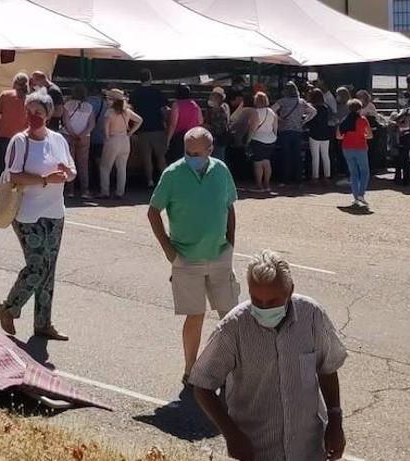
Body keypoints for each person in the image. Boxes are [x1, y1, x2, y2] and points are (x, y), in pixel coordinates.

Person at [190, 251, 347, 461]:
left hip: (308, 449)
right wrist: (231, 434)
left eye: (273, 301)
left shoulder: (312, 316)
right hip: (256, 451)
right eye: (257, 300)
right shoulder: (233, 328)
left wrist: (335, 421)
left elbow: (328, 367)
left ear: (290, 291)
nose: (264, 308)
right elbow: (202, 384)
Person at [147, 127, 240, 384]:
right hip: (186, 259)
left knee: (230, 314)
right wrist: (169, 250)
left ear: (210, 151)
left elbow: (229, 207)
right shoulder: (173, 174)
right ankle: (191, 369)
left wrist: (231, 242)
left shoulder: (220, 169)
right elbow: (153, 211)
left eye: (197, 153)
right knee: (195, 315)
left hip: (220, 255)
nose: (192, 157)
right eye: (188, 152)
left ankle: (235, 368)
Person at [0, 91, 76, 341]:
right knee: (38, 266)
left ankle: (43, 323)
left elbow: (71, 170)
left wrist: (67, 173)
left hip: (54, 213)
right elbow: (14, 176)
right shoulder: (20, 142)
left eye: (38, 113)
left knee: (49, 269)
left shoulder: (58, 140)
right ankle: (9, 307)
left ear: (49, 115)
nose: (33, 117)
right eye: (29, 112)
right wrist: (44, 179)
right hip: (27, 215)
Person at [99, 89, 142, 199]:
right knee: (122, 168)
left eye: (108, 98)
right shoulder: (127, 111)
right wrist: (130, 132)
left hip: (113, 140)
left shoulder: (109, 112)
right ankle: (120, 192)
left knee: (105, 167)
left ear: (113, 100)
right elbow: (139, 120)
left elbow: (106, 129)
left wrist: (107, 138)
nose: (107, 100)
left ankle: (105, 192)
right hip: (125, 140)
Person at [131, 68, 169, 188]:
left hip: (142, 129)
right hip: (157, 128)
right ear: (150, 77)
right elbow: (163, 110)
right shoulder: (157, 92)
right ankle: (164, 180)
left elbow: (131, 110)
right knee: (160, 156)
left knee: (146, 158)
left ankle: (150, 180)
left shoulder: (135, 93)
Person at [275, 82, 316, 186]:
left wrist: (280, 119)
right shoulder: (301, 102)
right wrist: (304, 121)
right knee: (297, 156)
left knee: (285, 155)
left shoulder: (282, 101)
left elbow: (271, 110)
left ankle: (285, 180)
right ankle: (299, 180)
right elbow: (313, 111)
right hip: (298, 131)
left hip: (284, 130)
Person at [337, 99, 373, 209]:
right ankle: (361, 194)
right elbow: (370, 135)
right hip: (360, 147)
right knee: (364, 171)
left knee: (353, 172)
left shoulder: (344, 120)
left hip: (347, 147)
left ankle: (356, 196)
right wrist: (363, 136)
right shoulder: (363, 120)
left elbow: (338, 136)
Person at [61, 84, 95, 197]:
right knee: (83, 165)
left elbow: (66, 122)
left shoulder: (67, 105)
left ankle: (70, 190)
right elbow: (91, 124)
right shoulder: (89, 107)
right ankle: (85, 190)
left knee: (70, 164)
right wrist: (82, 134)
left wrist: (73, 134)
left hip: (69, 136)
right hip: (85, 138)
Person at [0, 73, 30, 176]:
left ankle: (1, 189)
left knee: (2, 167)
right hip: (21, 139)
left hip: (4, 136)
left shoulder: (5, 95)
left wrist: (4, 119)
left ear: (14, 82)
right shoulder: (30, 100)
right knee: (16, 169)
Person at [246, 91, 279, 192]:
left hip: (258, 139)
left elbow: (252, 129)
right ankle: (267, 184)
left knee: (258, 163)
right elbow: (275, 127)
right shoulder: (272, 112)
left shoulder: (255, 113)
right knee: (266, 162)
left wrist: (247, 141)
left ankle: (258, 185)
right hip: (271, 139)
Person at [166, 84, 204, 164]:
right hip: (193, 136)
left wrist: (168, 140)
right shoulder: (195, 105)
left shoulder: (176, 105)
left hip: (179, 138)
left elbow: (173, 124)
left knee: (179, 161)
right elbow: (200, 121)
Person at [306, 88, 333, 181]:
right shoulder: (326, 107)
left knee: (315, 156)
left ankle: (315, 176)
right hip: (325, 133)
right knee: (326, 155)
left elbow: (309, 120)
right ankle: (327, 176)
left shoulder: (312, 108)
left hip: (314, 133)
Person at [205, 87, 231, 160]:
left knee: (218, 159)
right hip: (219, 138)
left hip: (218, 139)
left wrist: (207, 127)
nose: (210, 97)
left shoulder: (219, 110)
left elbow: (220, 127)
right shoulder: (222, 107)